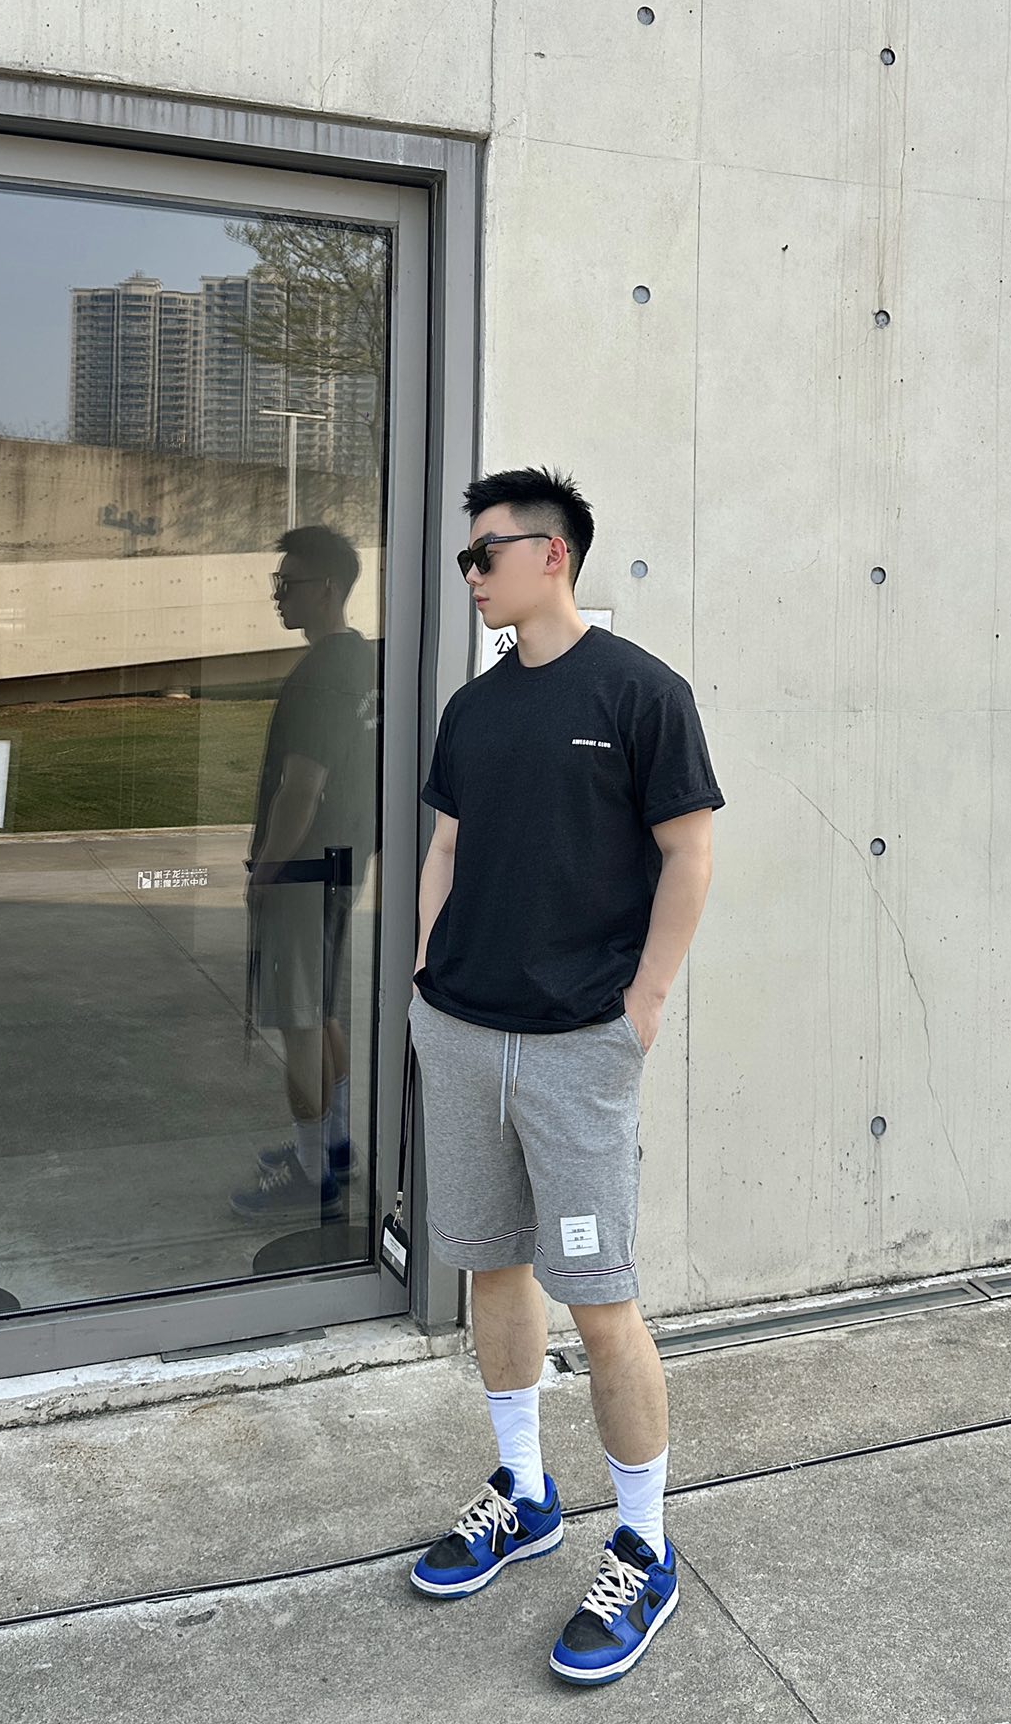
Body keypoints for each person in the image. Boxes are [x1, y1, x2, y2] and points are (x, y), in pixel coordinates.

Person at [406, 465, 723, 1686]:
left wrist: (643, 1006)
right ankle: (525, 1492)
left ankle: (642, 1545)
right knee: (491, 1269)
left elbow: (689, 852)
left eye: (482, 554)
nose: (471, 575)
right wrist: (426, 973)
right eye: (466, 557)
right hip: (462, 1032)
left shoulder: (641, 691)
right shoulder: (475, 709)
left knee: (600, 1299)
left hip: (577, 1048)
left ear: (552, 555)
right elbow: (448, 844)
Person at [231, 524, 379, 1223]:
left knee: (297, 1022)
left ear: (325, 588)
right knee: (320, 1012)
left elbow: (302, 790)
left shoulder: (320, 673)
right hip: (342, 865)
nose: (278, 597)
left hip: (303, 871)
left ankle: (312, 1170)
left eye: (286, 584)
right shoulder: (361, 660)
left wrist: (264, 872)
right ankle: (336, 1147)